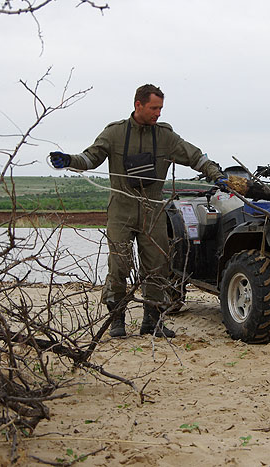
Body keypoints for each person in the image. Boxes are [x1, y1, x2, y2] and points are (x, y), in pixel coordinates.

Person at [49, 84, 227, 338]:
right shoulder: (114, 133)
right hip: (121, 209)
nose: (158, 113)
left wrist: (217, 175)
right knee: (119, 264)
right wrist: (68, 160)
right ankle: (117, 319)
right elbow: (90, 158)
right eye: (154, 108)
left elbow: (195, 156)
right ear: (138, 105)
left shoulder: (166, 136)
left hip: (153, 209)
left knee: (158, 266)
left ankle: (152, 322)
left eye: (161, 108)